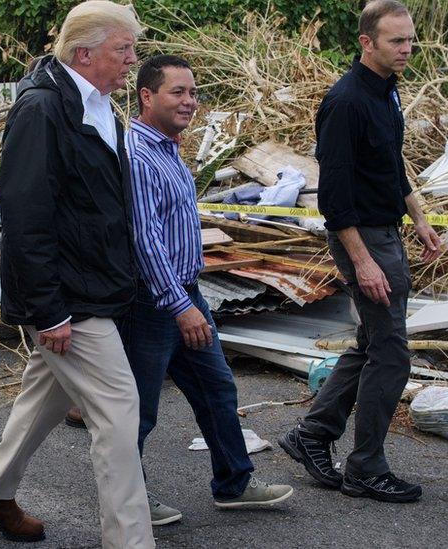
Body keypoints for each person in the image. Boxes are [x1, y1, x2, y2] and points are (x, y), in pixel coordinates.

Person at [0, 2, 154, 547]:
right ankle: (130, 541)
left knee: (43, 398)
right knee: (119, 414)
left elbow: (96, 208)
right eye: (124, 50)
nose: (131, 61)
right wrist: (49, 309)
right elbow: (26, 216)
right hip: (70, 297)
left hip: (92, 288)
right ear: (84, 52)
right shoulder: (43, 110)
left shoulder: (97, 107)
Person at [278, 0, 442, 504]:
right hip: (363, 238)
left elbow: (390, 167)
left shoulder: (387, 93)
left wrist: (418, 216)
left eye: (410, 40)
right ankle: (366, 466)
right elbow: (336, 198)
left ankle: (312, 435)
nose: (407, 50)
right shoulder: (346, 102)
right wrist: (364, 260)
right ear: (366, 43)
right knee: (391, 353)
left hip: (386, 229)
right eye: (397, 41)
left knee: (372, 343)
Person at [124, 54, 294, 525]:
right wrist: (180, 305)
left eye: (193, 92)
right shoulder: (137, 155)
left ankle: (234, 484)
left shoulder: (168, 148)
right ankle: (128, 499)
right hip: (154, 302)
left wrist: (188, 297)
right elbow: (145, 238)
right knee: (138, 410)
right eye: (178, 92)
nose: (190, 101)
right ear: (146, 96)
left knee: (217, 389)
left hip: (184, 292)